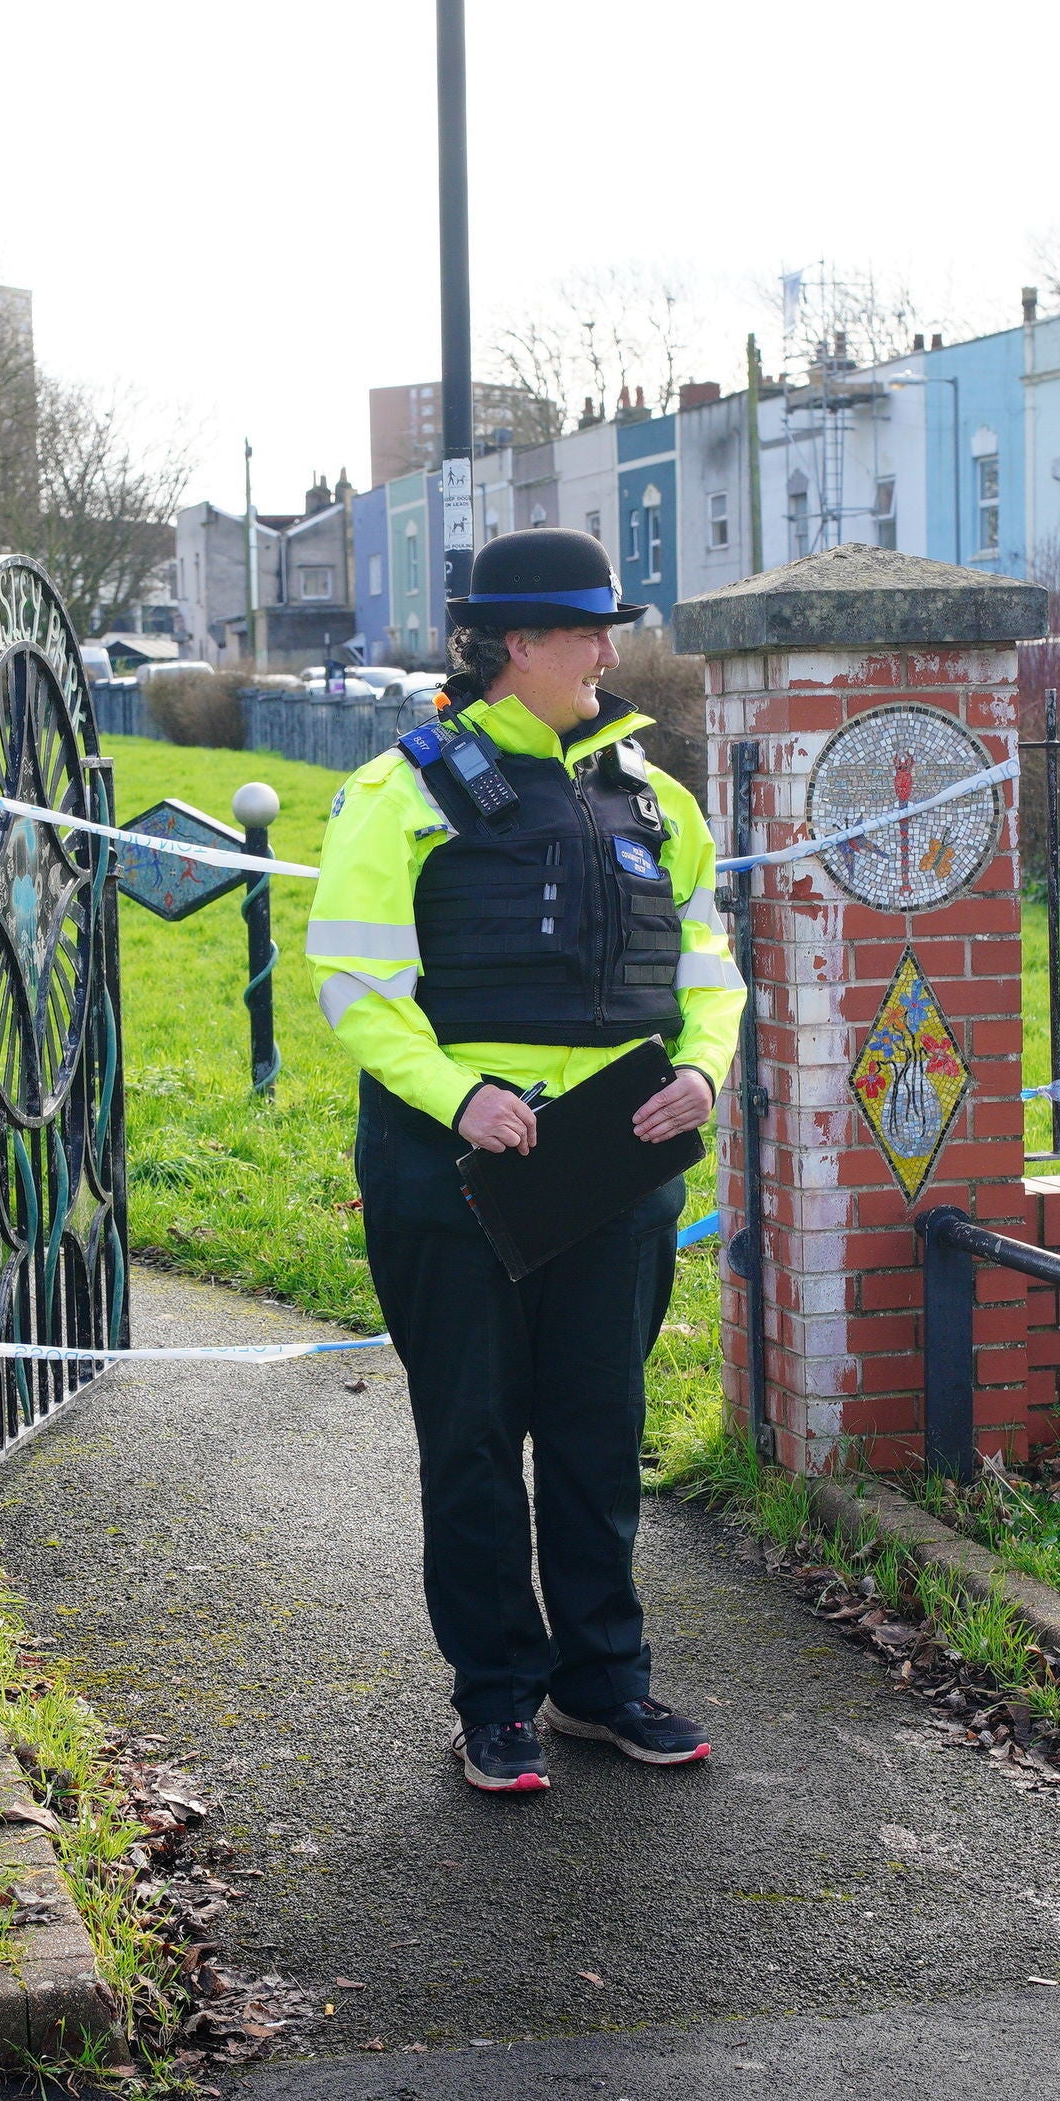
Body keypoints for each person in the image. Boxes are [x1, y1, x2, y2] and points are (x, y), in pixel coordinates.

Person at [304, 527, 744, 1795]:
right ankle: (494, 1696)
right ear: (516, 646)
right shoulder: (397, 791)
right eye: (585, 631)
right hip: (452, 1165)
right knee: (475, 1436)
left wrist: (701, 1069)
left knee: (599, 1431)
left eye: (607, 629)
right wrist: (460, 1097)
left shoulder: (655, 799)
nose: (610, 652)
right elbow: (357, 983)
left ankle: (600, 1684)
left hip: (611, 1164)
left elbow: (707, 969)